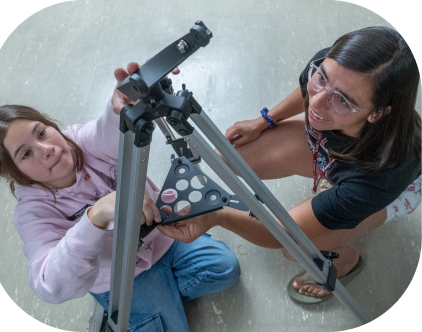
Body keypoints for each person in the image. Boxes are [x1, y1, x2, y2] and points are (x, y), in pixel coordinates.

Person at [157, 26, 422, 304]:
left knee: (296, 247)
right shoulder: (333, 66)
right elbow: (310, 92)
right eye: (321, 78)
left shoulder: (377, 178)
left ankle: (345, 261)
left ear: (378, 113)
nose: (316, 104)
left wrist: (216, 215)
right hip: (337, 151)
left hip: (385, 191)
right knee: (232, 155)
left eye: (342, 100)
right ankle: (329, 186)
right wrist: (264, 121)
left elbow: (283, 234)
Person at [0, 62, 240, 331]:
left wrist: (124, 105)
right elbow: (48, 285)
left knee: (225, 269)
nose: (47, 148)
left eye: (42, 132)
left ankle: (149, 306)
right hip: (118, 275)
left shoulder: (80, 141)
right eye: (26, 154)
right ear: (13, 174)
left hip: (162, 237)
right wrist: (95, 216)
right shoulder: (33, 211)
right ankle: (130, 308)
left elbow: (109, 131)